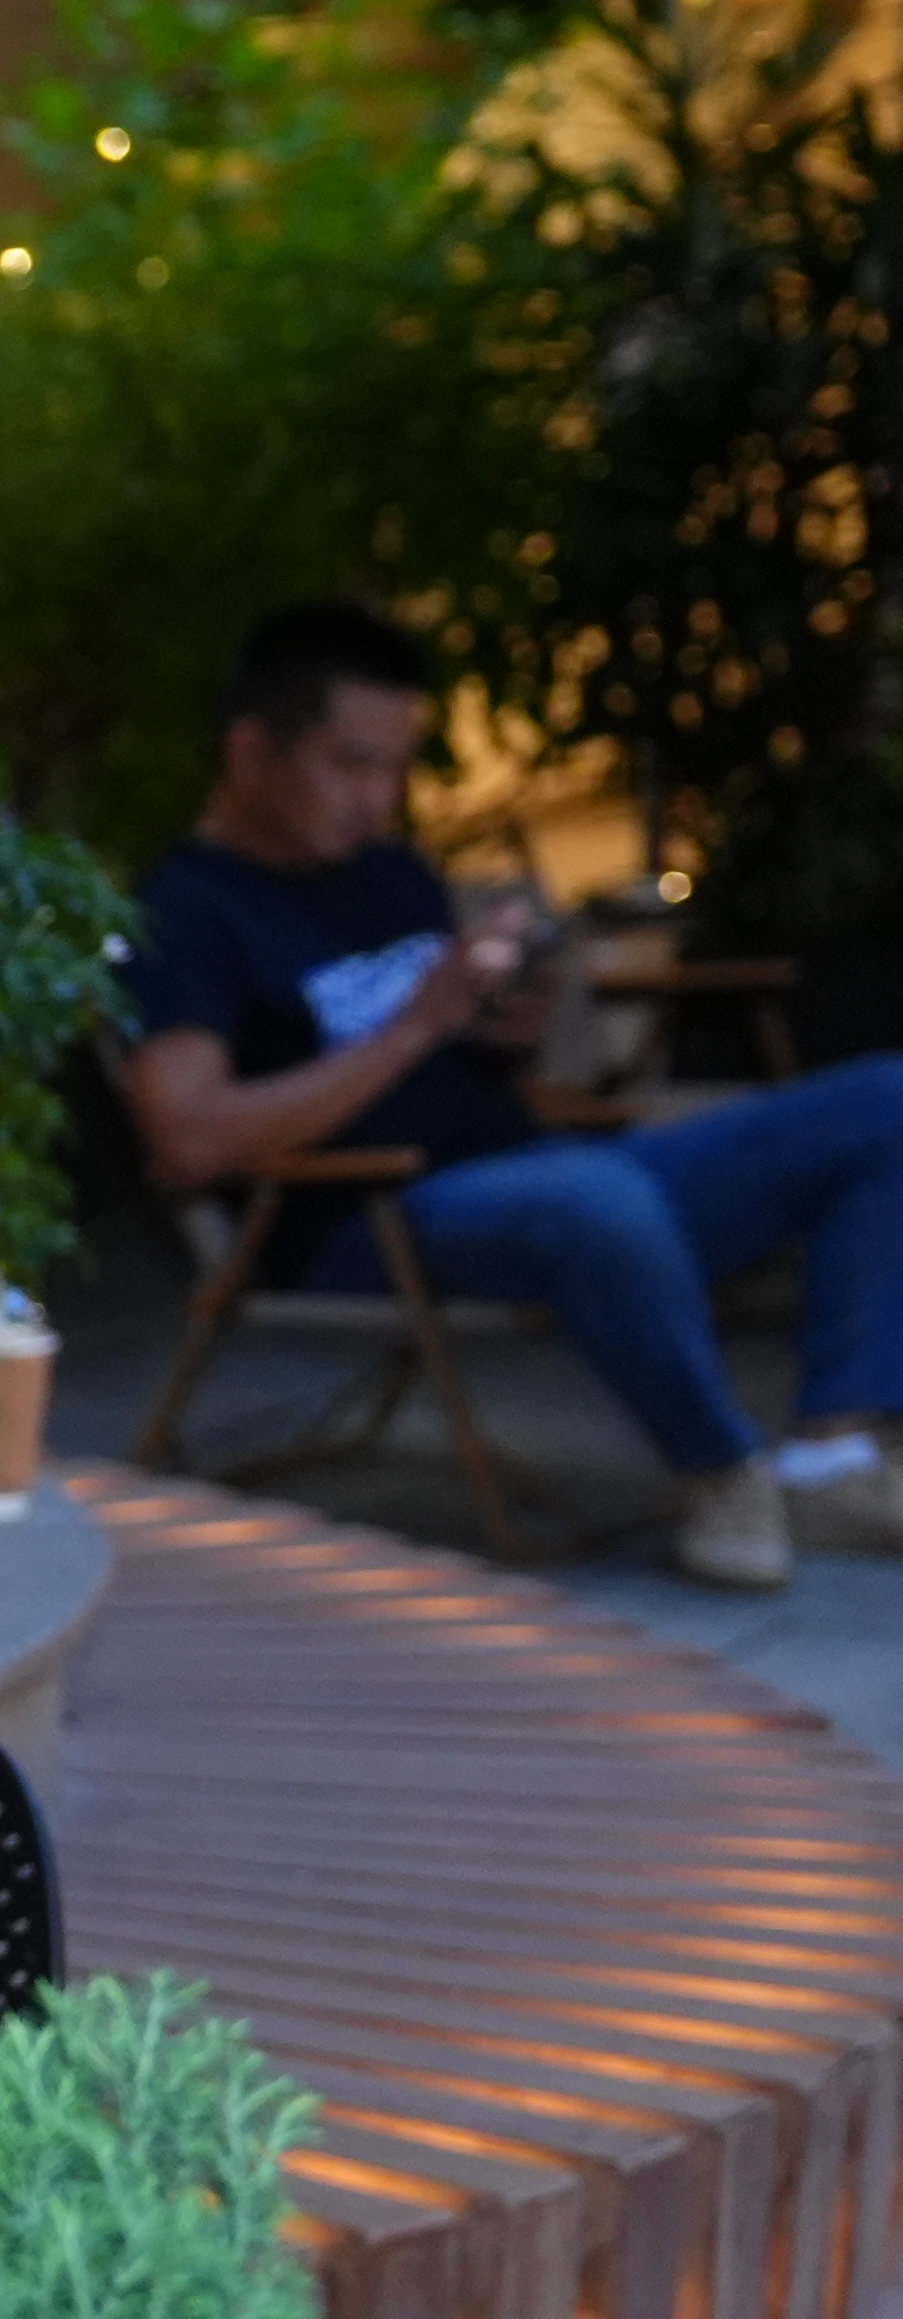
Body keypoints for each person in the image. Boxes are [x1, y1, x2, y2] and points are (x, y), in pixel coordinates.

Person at [117, 597, 903, 1588]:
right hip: (362, 1221)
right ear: (251, 752)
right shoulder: (184, 913)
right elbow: (188, 1137)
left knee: (883, 1100)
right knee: (594, 1202)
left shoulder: (386, 873)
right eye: (352, 764)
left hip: (534, 1169)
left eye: (398, 767)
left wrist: (510, 1034)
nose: (382, 799)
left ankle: (833, 1459)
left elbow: (469, 1065)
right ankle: (721, 1466)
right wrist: (419, 1024)